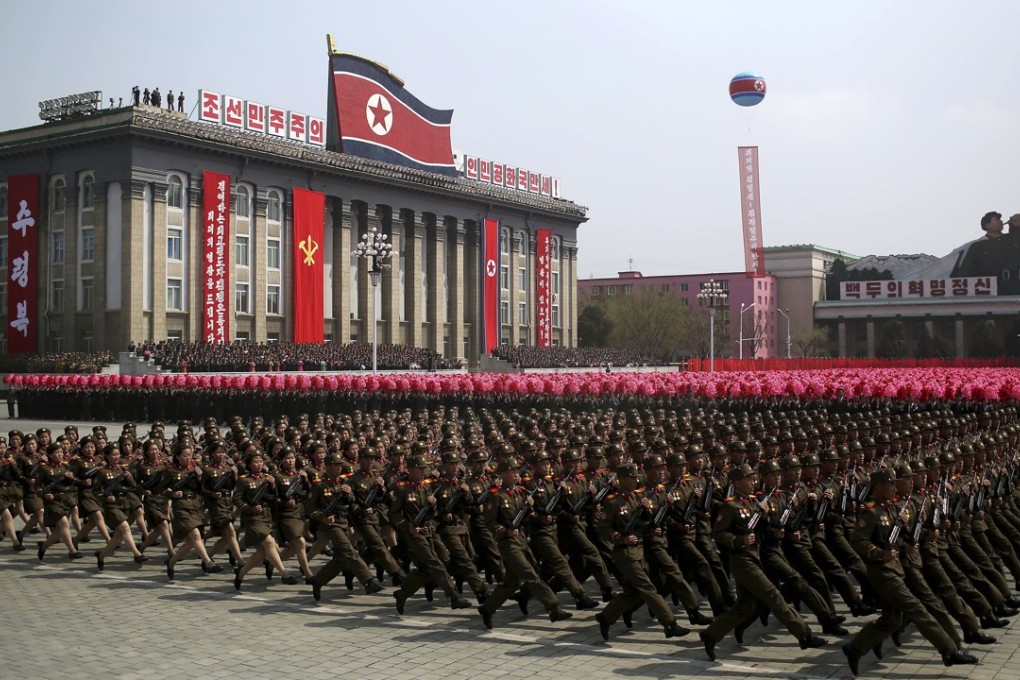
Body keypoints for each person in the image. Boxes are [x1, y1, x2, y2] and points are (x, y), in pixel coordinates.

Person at [842, 468, 978, 675]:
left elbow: (900, 536)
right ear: (879, 486)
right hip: (882, 573)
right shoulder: (871, 512)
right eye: (890, 484)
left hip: (895, 570)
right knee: (918, 609)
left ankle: (855, 647)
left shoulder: (890, 509)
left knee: (892, 620)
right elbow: (858, 541)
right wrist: (880, 554)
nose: (894, 487)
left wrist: (908, 544)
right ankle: (949, 651)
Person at [699, 464, 827, 661]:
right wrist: (739, 540)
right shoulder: (730, 506)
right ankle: (804, 635)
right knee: (774, 595)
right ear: (737, 482)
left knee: (746, 606)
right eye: (748, 479)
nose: (753, 482)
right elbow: (719, 534)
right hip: (741, 560)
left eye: (753, 478)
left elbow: (762, 530)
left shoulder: (754, 503)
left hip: (754, 558)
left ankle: (710, 634)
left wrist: (766, 516)